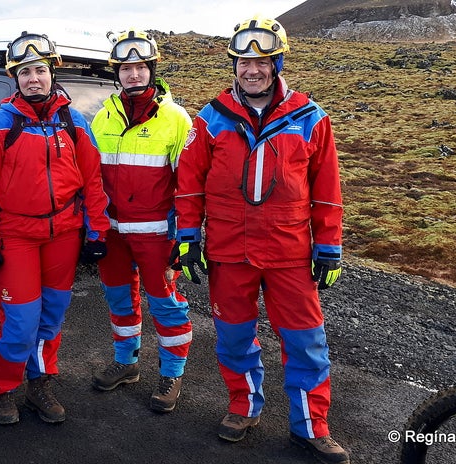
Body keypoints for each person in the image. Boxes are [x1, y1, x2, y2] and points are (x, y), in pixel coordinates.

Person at [173, 16, 349, 464]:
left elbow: (327, 192)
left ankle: (311, 426)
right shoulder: (210, 119)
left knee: (307, 342)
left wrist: (328, 246)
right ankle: (243, 407)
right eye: (243, 61)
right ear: (233, 66)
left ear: (277, 63)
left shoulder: (311, 118)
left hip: (290, 252)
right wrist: (188, 237)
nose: (252, 70)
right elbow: (189, 183)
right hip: (229, 251)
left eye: (262, 61)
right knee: (234, 338)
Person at [0, 32, 111, 426]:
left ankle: (39, 383)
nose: (34, 78)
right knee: (19, 323)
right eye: (25, 72)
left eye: (40, 70)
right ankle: (2, 388)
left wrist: (97, 232)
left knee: (51, 318)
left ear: (52, 72)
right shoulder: (1, 124)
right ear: (15, 78)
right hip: (15, 238)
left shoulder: (73, 120)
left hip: (64, 236)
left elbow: (93, 180)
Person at [89, 28, 193, 413]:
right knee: (119, 300)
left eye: (140, 67)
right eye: (126, 68)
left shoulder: (176, 119)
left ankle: (172, 374)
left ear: (152, 69)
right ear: (116, 73)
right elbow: (91, 180)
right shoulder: (103, 118)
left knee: (166, 306)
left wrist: (185, 240)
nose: (134, 75)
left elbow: (189, 187)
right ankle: (126, 362)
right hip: (113, 235)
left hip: (157, 236)